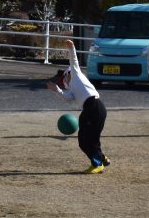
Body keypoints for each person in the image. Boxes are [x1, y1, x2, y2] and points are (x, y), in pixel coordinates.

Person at [47, 40, 110, 174]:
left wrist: (72, 48)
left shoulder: (76, 74)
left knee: (88, 139)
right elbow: (68, 98)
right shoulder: (72, 90)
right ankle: (102, 159)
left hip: (94, 107)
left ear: (68, 74)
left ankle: (98, 164)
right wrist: (56, 90)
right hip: (92, 109)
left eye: (63, 80)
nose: (64, 83)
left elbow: (73, 61)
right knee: (86, 140)